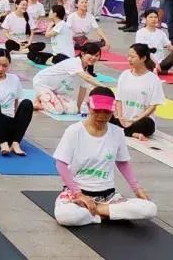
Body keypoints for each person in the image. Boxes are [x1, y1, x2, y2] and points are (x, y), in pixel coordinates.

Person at [51, 87, 156, 227]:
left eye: (106, 111)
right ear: (88, 106)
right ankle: (106, 214)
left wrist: (137, 188)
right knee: (66, 216)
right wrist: (79, 194)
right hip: (77, 195)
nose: (101, 115)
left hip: (108, 197)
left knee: (149, 209)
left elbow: (123, 162)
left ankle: (97, 211)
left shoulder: (117, 133)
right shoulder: (74, 131)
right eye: (97, 110)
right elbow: (61, 164)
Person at [32, 42, 103, 115]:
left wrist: (78, 109)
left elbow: (83, 90)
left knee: (72, 110)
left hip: (56, 91)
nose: (94, 57)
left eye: (96, 55)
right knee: (58, 110)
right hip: (42, 84)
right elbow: (87, 77)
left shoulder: (85, 70)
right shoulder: (74, 62)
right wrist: (104, 87)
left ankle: (50, 97)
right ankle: (38, 101)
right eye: (91, 54)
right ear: (82, 53)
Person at [112, 44, 165, 140]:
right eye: (128, 56)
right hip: (123, 119)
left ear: (143, 58)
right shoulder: (124, 75)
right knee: (105, 117)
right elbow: (118, 100)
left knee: (147, 124)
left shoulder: (153, 79)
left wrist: (138, 118)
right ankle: (132, 133)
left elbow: (153, 106)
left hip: (140, 120)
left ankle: (124, 131)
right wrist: (120, 117)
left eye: (132, 57)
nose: (129, 59)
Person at [135, 8, 173, 73]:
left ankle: (159, 69)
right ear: (145, 19)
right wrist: (155, 63)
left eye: (155, 17)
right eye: (151, 17)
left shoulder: (161, 33)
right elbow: (142, 50)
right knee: (144, 54)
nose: (153, 19)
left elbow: (169, 47)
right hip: (148, 60)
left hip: (160, 62)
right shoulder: (140, 32)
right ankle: (160, 70)